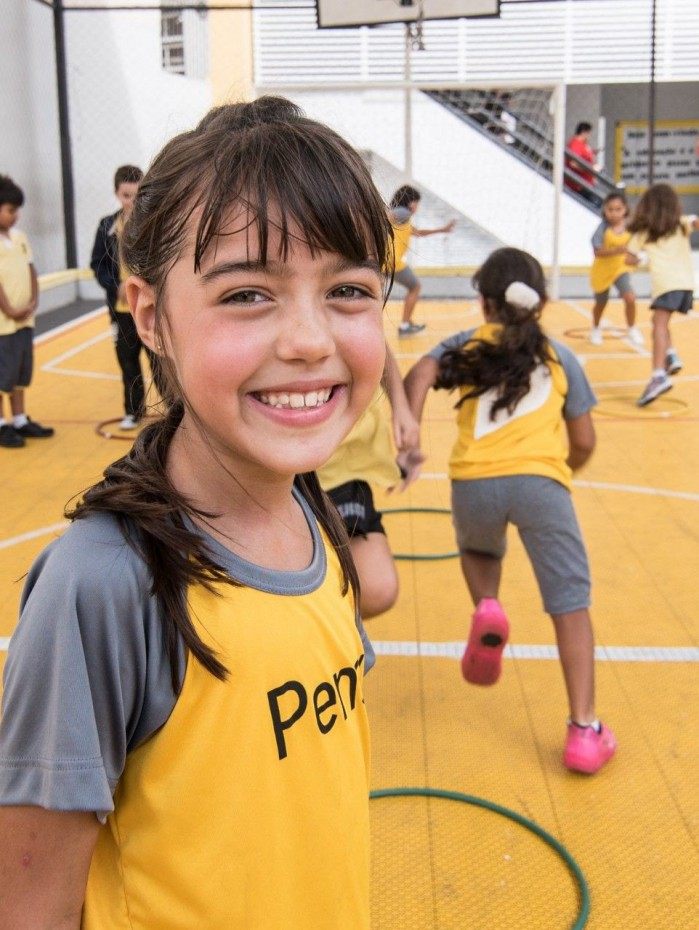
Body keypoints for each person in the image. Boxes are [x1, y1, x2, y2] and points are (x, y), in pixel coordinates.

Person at [0, 96, 392, 929]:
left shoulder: (311, 511)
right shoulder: (104, 584)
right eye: (248, 293)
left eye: (349, 289)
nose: (309, 340)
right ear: (151, 316)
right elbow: (29, 906)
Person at [404, 247, 617, 775]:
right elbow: (584, 440)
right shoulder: (560, 357)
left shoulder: (468, 347)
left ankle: (488, 608)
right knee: (570, 604)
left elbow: (422, 370)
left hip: (474, 480)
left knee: (479, 550)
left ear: (482, 301)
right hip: (541, 482)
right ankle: (585, 731)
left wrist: (408, 434)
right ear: (540, 301)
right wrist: (560, 470)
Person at [318, 345, 423, 619]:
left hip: (346, 464)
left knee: (378, 589)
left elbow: (378, 341)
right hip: (286, 468)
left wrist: (401, 409)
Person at [91, 165, 163, 430]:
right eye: (125, 195)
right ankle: (133, 410)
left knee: (161, 360)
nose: (131, 201)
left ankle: (174, 409)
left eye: (136, 194)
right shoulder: (107, 226)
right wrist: (114, 285)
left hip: (152, 309)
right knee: (127, 360)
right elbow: (97, 263)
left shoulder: (155, 224)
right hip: (122, 310)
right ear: (117, 194)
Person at [626, 183, 699, 407]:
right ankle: (671, 355)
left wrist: (642, 259)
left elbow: (629, 258)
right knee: (660, 322)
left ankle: (658, 374)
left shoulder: (643, 232)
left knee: (657, 326)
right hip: (686, 285)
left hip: (665, 284)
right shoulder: (681, 224)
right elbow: (695, 222)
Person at [0, 175, 54, 449]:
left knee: (21, 372)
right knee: (3, 375)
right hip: (4, 324)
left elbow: (30, 268)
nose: (16, 216)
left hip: (24, 320)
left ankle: (19, 419)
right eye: (10, 210)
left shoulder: (20, 238)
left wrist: (33, 299)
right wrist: (8, 308)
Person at [389, 184, 456, 337]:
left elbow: (418, 232)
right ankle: (405, 326)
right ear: (411, 202)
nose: (418, 206)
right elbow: (385, 215)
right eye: (417, 202)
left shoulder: (403, 218)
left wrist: (442, 230)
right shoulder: (403, 212)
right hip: (393, 264)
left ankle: (407, 322)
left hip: (384, 263)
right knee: (415, 287)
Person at [588, 191, 642, 346]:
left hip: (620, 268)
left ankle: (631, 328)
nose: (614, 213)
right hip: (602, 270)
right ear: (605, 210)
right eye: (610, 209)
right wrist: (618, 250)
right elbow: (597, 251)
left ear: (625, 209)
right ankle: (596, 327)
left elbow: (635, 249)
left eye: (618, 209)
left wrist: (635, 258)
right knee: (601, 303)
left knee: (630, 297)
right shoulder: (602, 228)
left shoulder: (631, 227)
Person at [565, 121, 601, 206]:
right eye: (588, 133)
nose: (589, 136)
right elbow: (573, 163)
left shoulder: (583, 144)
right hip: (579, 184)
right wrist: (589, 169)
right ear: (584, 132)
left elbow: (584, 155)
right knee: (596, 204)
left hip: (587, 182)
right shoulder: (576, 144)